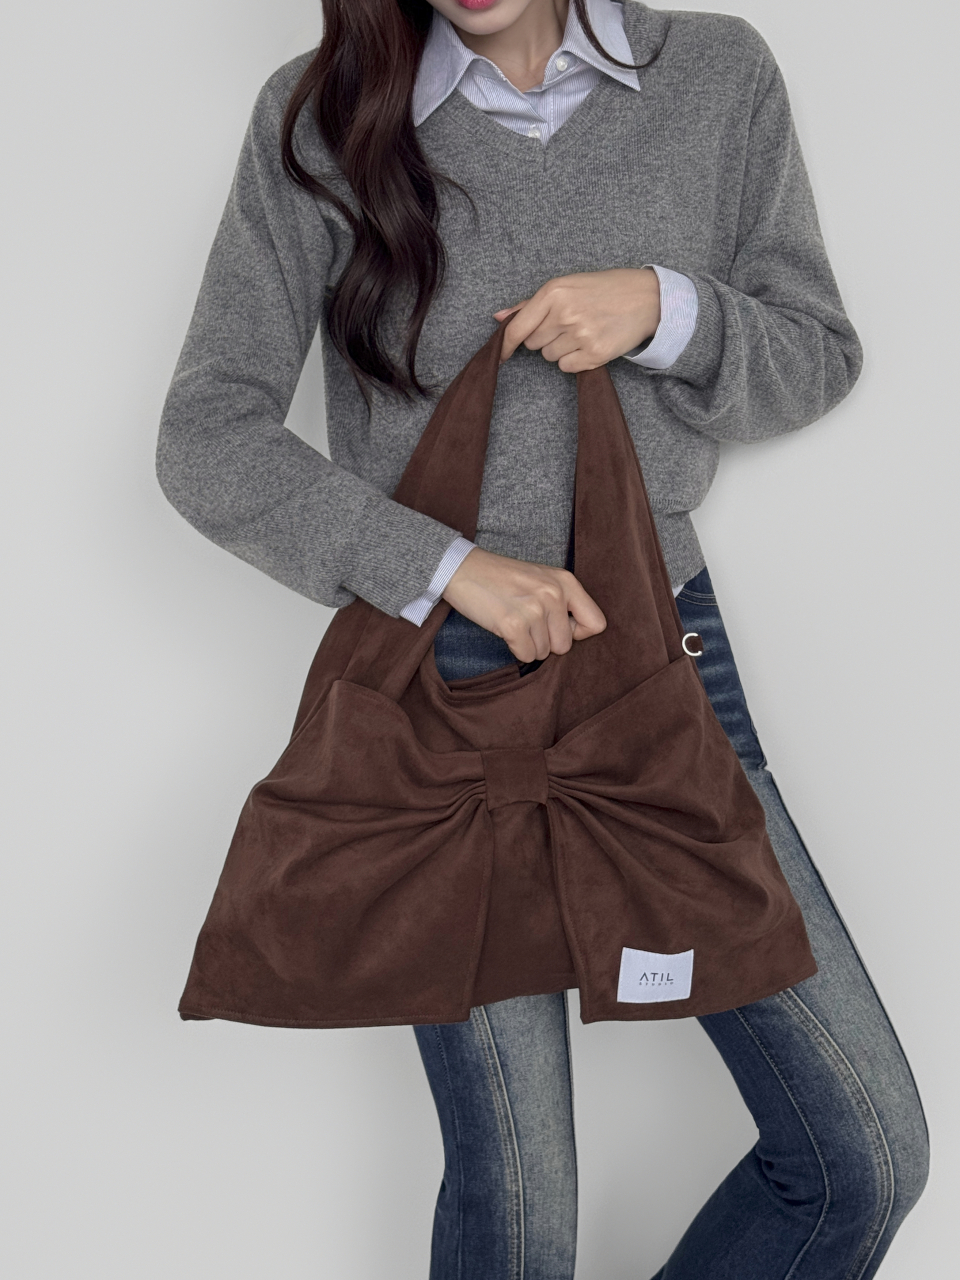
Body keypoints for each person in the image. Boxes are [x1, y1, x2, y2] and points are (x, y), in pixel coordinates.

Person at [156, 1, 928, 1275]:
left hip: (656, 660)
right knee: (522, 1216)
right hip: (442, 690)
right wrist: (448, 568)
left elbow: (817, 350)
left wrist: (663, 307)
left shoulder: (714, 73)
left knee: (864, 1151)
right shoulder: (323, 116)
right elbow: (207, 432)